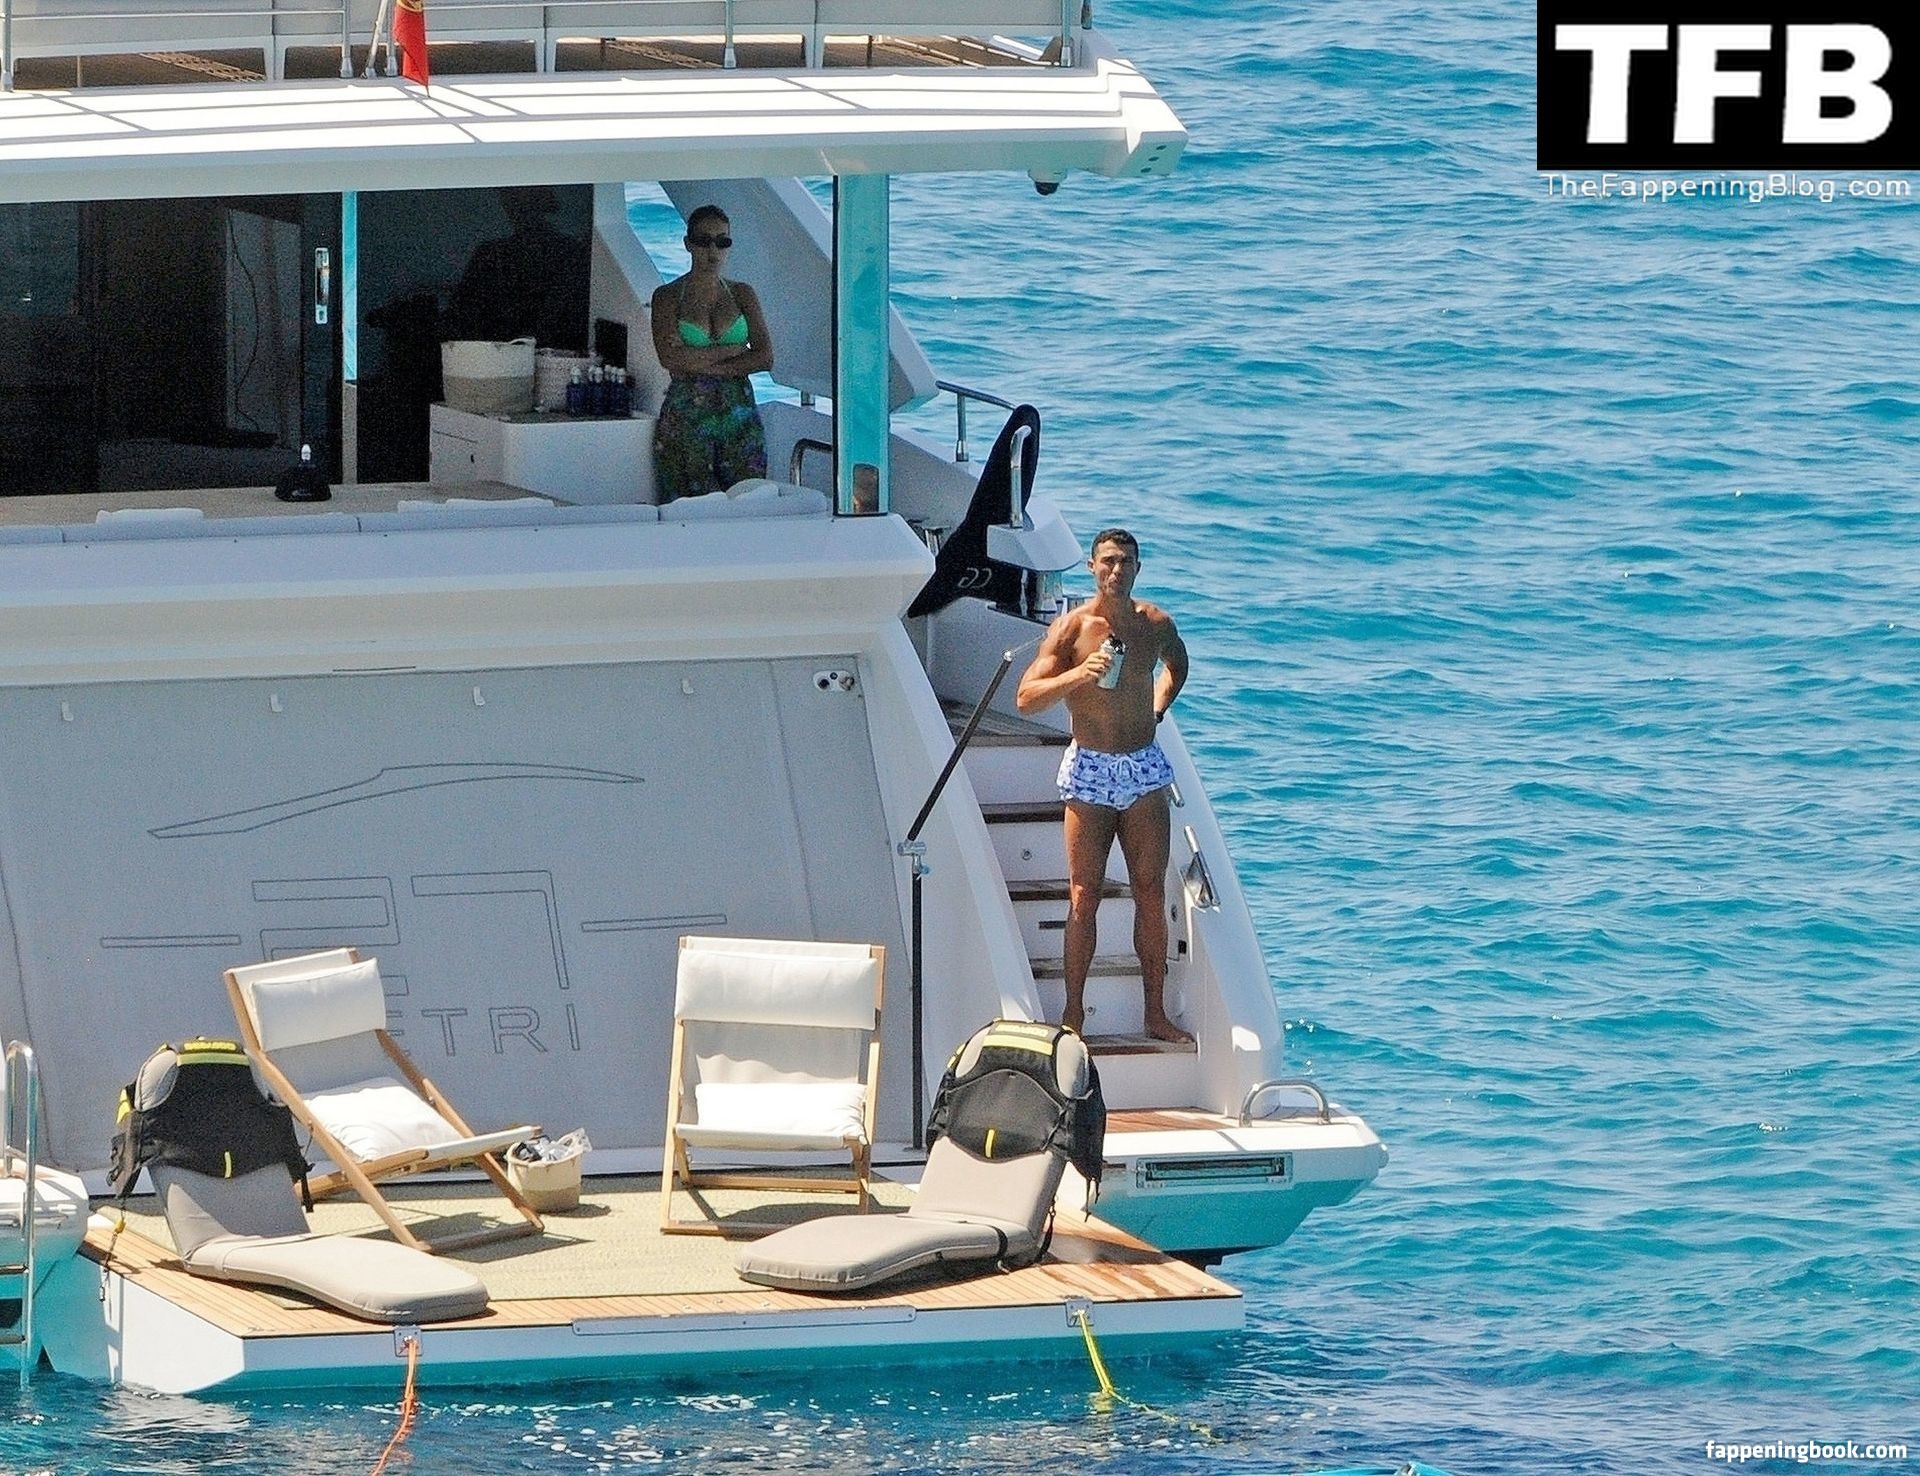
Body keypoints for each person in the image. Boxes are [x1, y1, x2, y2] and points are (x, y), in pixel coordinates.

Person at [1016, 529, 1192, 1043]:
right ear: (1092, 567)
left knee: (1149, 892)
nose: (1117, 570)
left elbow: (1177, 665)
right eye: (1109, 561)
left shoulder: (1154, 624)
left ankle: (1155, 1014)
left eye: (1126, 562)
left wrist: (1158, 708)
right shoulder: (1072, 629)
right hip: (1090, 769)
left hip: (1142, 767)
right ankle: (1073, 1015)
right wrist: (1080, 675)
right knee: (1083, 894)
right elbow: (1026, 698)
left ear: (1138, 569)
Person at [649, 205, 774, 500]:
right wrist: (734, 351)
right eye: (704, 241)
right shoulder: (668, 296)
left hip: (739, 417)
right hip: (687, 419)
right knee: (690, 510)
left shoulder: (742, 293)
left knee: (749, 503)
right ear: (688, 244)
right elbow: (669, 358)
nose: (713, 251)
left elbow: (765, 357)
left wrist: (696, 360)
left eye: (722, 241)